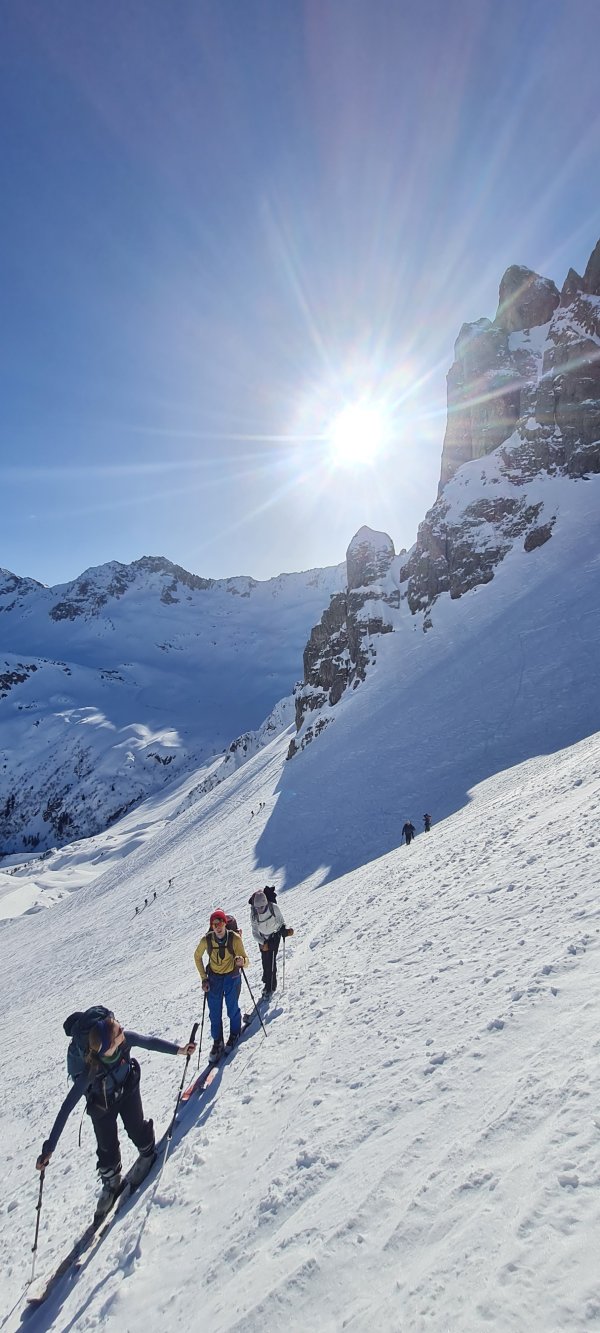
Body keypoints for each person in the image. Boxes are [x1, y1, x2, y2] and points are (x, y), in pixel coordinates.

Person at [35, 1013, 196, 1218]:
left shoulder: (123, 1041)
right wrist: (49, 1148)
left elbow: (148, 1042)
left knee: (136, 1127)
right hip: (101, 1105)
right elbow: (66, 1107)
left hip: (127, 1088)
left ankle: (146, 1150)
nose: (123, 1031)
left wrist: (179, 1050)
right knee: (106, 1145)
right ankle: (111, 1180)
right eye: (118, 1031)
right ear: (107, 1047)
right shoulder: (90, 1072)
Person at [194, 910, 250, 1062]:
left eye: (220, 923)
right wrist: (204, 979)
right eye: (214, 924)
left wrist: (242, 961)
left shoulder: (235, 939)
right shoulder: (207, 940)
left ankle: (234, 1033)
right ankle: (217, 1041)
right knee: (215, 1012)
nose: (217, 927)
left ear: (225, 923)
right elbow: (197, 956)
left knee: (232, 1007)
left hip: (231, 976)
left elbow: (246, 959)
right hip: (214, 978)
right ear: (212, 926)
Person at [250, 889, 294, 997]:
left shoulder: (273, 908)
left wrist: (283, 930)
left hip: (274, 935)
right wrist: (263, 942)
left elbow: (281, 921)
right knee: (265, 960)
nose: (259, 909)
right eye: (257, 908)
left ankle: (270, 986)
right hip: (262, 938)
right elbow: (255, 932)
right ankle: (267, 980)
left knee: (271, 959)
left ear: (266, 904)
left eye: (261, 907)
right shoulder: (254, 914)